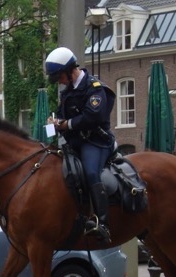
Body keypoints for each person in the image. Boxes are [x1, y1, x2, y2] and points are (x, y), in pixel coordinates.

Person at [45, 47, 116, 244]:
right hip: (74, 143)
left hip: (96, 141)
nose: (59, 81)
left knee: (91, 172)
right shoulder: (67, 93)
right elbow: (61, 117)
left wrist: (67, 124)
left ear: (69, 70)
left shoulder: (94, 87)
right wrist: (53, 124)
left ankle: (103, 223)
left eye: (59, 76)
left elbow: (93, 116)